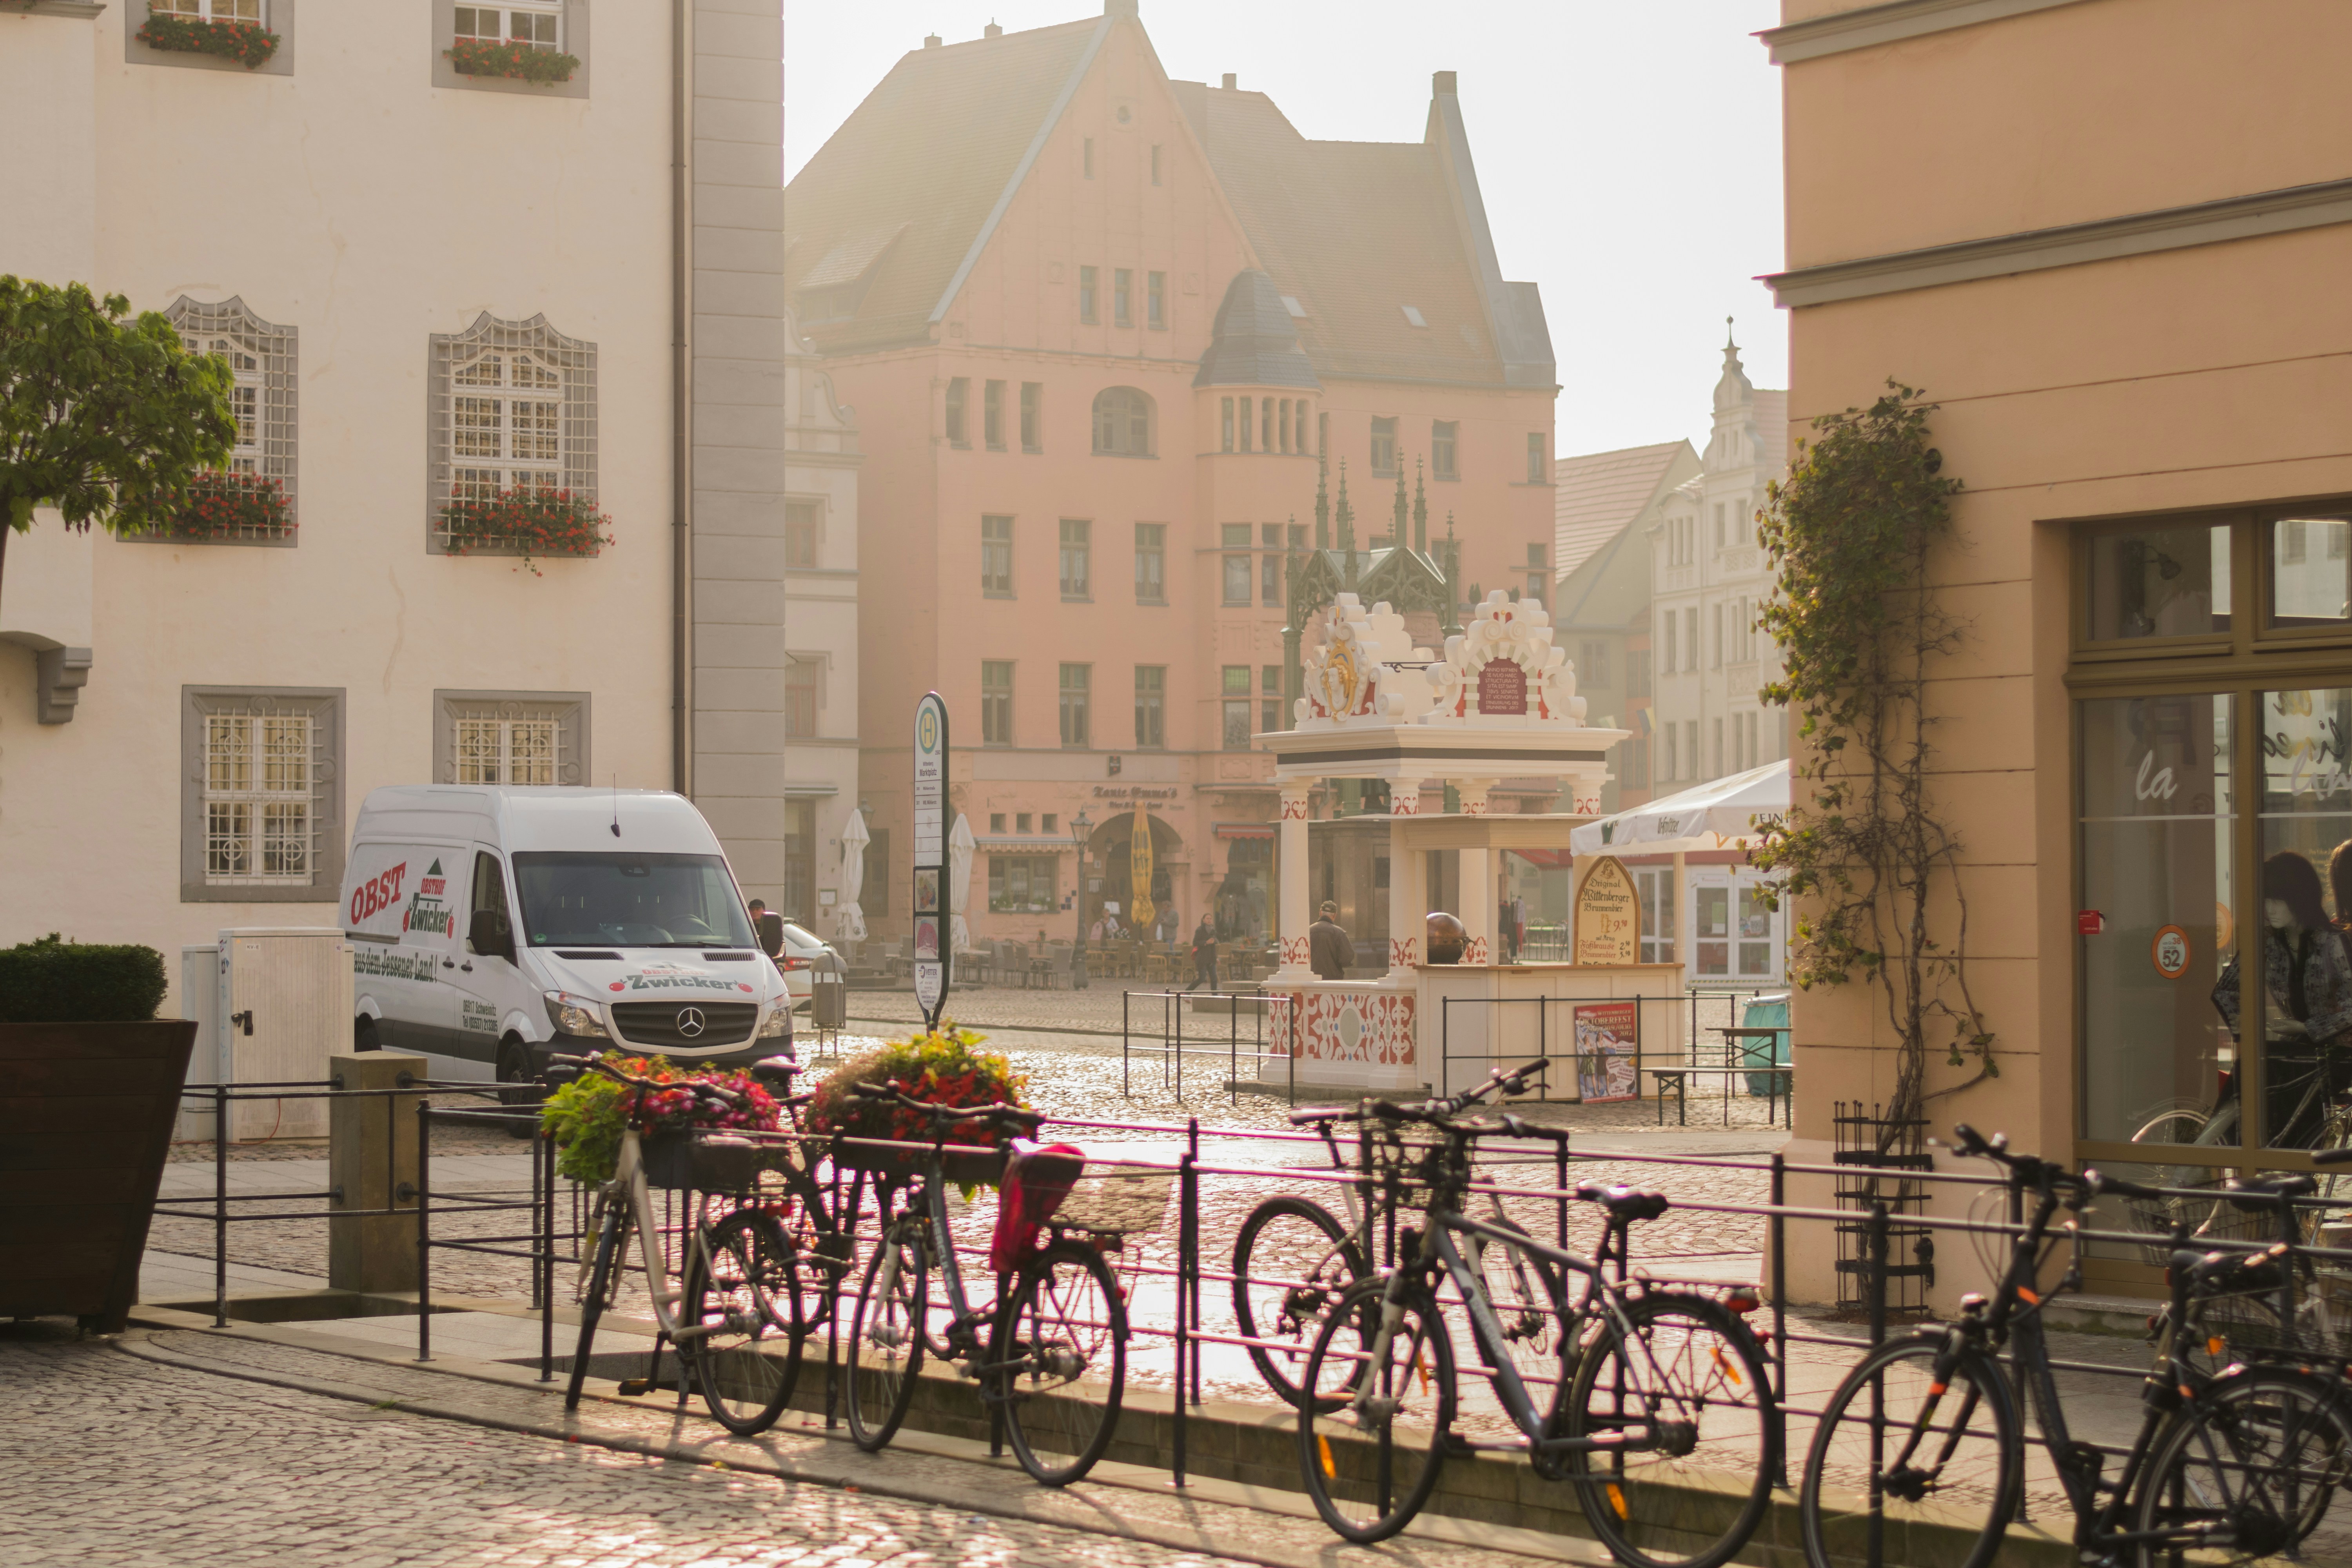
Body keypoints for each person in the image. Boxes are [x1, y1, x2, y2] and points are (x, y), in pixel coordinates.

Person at [2211, 850, 2352, 1149]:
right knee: (2257, 1062)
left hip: (2341, 1052)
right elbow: (2226, 990)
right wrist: (2248, 1031)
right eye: (2265, 900)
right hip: (2298, 1050)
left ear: (2299, 898)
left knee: (2276, 1068)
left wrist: (2305, 1029)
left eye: (2277, 900)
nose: (2269, 909)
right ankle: (2223, 1145)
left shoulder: (2332, 942)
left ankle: (2274, 1156)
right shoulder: (2267, 942)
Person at [1310, 900, 1351, 981]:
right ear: (1335, 915)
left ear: (1320, 913)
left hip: (1312, 979)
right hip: (1333, 980)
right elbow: (1347, 957)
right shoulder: (1339, 933)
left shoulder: (1308, 931)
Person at [1187, 914, 1219, 993]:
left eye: (1211, 919)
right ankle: (1187, 992)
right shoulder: (1200, 930)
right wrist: (1206, 942)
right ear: (1203, 920)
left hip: (1211, 958)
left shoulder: (1213, 930)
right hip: (1202, 958)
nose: (1209, 920)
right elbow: (1195, 942)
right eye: (1207, 919)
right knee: (1202, 979)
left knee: (1214, 978)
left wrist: (1215, 958)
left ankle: (1215, 996)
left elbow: (1214, 945)